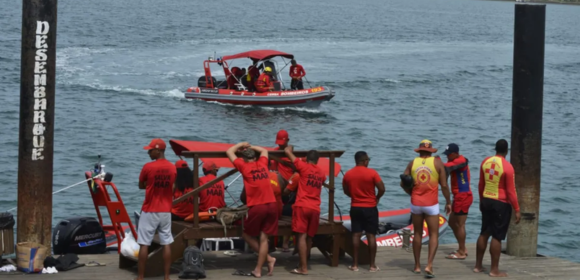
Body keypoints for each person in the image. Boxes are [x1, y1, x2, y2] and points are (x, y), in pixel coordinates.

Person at [400, 139, 451, 278]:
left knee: (417, 233)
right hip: (431, 204)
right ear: (430, 151)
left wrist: (411, 193)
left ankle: (417, 266)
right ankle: (429, 265)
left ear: (420, 150)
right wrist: (448, 201)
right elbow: (444, 186)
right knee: (433, 234)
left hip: (416, 203)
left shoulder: (412, 163)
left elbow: (402, 182)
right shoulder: (437, 163)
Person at [227, 142, 277, 277]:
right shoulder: (263, 164)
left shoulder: (243, 166)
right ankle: (261, 267)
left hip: (258, 206)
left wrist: (241, 144)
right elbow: (264, 150)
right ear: (255, 158)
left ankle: (266, 261)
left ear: (243, 159)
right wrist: (251, 147)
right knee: (264, 238)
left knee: (246, 234)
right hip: (272, 204)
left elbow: (229, 151)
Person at [474, 139, 521, 277]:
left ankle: (478, 266)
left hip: (486, 200)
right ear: (507, 151)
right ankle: (494, 270)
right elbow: (511, 191)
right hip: (500, 203)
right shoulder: (507, 167)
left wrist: (482, 200)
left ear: (495, 149)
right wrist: (517, 209)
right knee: (497, 236)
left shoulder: (485, 162)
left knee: (484, 233)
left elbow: (481, 184)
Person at [137, 139, 177, 280]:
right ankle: (167, 276)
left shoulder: (148, 167)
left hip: (150, 209)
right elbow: (172, 188)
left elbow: (141, 185)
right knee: (166, 242)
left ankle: (141, 277)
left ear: (158, 150)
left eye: (150, 150)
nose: (148, 152)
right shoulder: (173, 168)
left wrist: (150, 184)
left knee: (144, 243)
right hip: (166, 210)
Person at [283, 146, 326, 275]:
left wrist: (289, 148)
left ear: (307, 159)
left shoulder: (303, 167)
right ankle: (304, 264)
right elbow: (322, 180)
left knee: (301, 236)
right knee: (309, 238)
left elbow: (287, 153)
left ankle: (303, 268)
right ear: (317, 161)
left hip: (302, 206)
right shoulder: (322, 173)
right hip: (315, 208)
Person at [342, 151, 385, 272]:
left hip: (355, 207)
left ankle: (354, 265)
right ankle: (372, 265)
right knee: (371, 235)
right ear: (365, 161)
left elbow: (346, 190)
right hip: (370, 207)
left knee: (356, 234)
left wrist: (354, 196)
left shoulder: (348, 174)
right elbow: (382, 188)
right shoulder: (372, 173)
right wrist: (377, 198)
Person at [441, 143, 473, 260]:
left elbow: (445, 167)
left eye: (449, 155)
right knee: (451, 223)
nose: (447, 157)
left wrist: (435, 163)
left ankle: (461, 252)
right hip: (457, 196)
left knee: (460, 225)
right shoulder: (454, 162)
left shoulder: (461, 160)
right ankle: (462, 247)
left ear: (455, 154)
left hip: (463, 196)